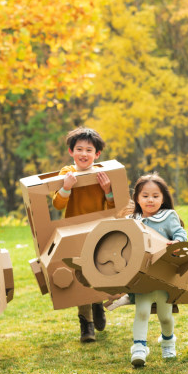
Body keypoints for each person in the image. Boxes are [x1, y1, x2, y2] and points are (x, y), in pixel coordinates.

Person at [52, 127, 115, 342]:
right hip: (75, 232)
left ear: (97, 154)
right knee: (80, 275)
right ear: (71, 151)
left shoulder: (103, 173)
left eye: (89, 150)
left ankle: (98, 303)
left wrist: (107, 190)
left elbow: (114, 207)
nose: (84, 154)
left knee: (99, 269)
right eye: (79, 149)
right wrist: (67, 187)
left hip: (99, 231)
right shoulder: (66, 172)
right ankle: (85, 323)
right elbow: (58, 203)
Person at [125, 173, 186, 367]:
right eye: (145, 195)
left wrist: (177, 242)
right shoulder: (131, 220)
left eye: (155, 196)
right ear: (137, 197)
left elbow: (180, 234)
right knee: (141, 311)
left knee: (165, 315)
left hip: (164, 275)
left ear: (163, 198)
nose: (150, 200)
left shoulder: (168, 217)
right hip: (141, 277)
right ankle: (139, 348)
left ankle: (168, 342)